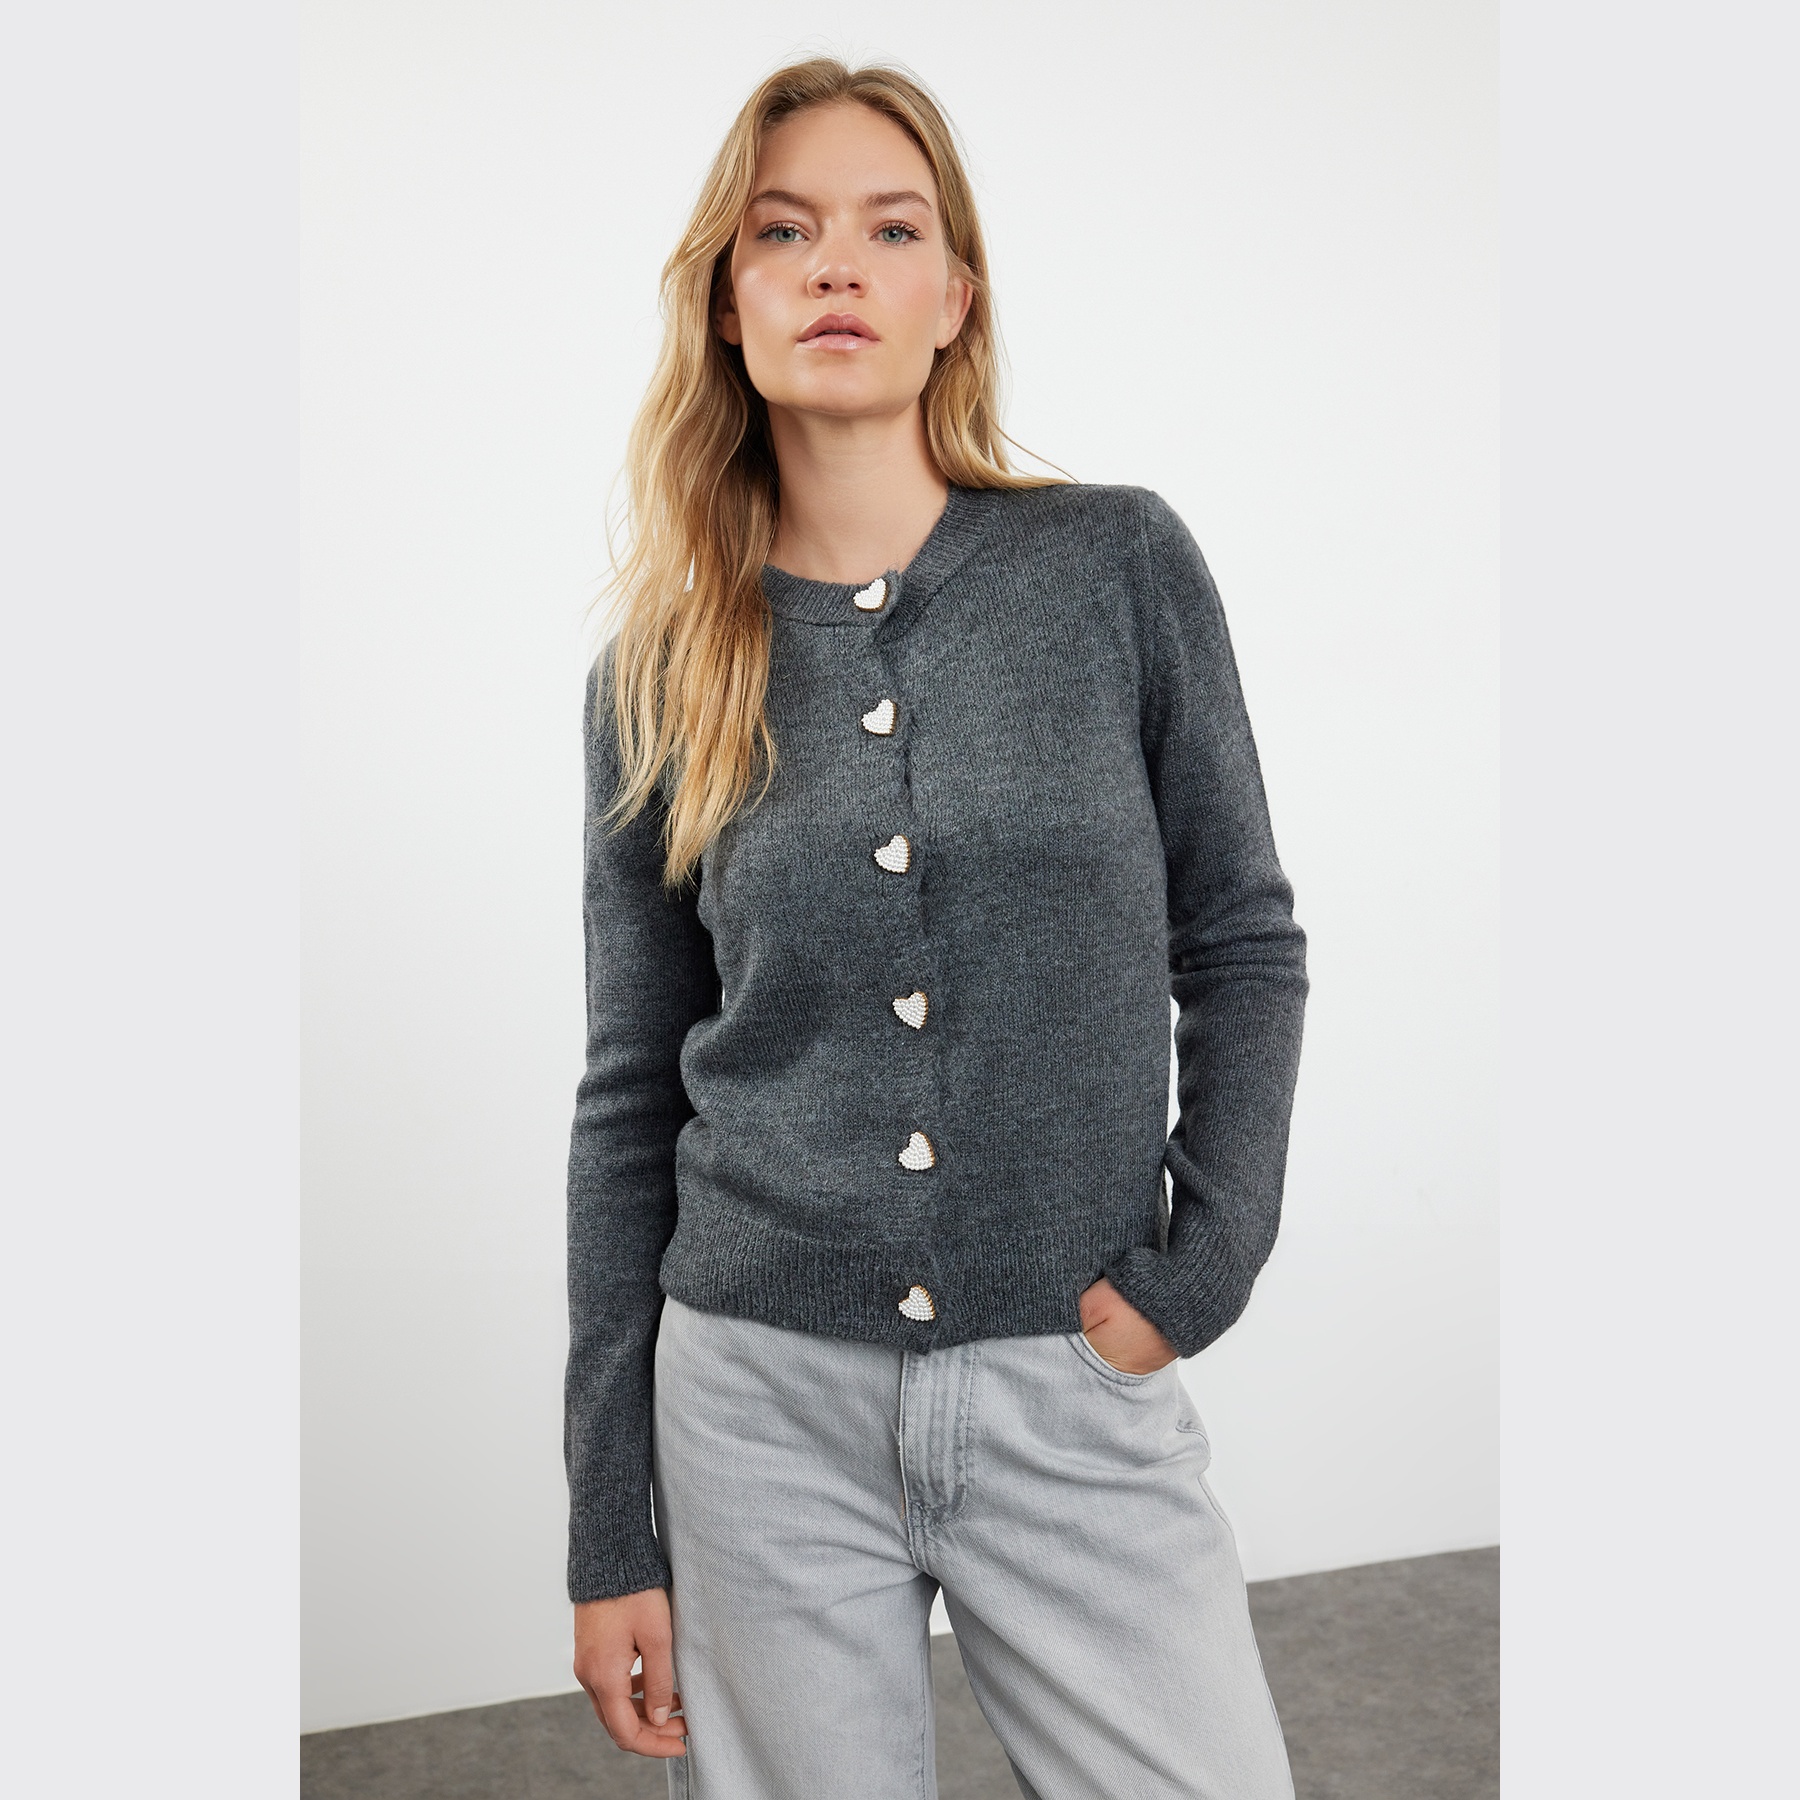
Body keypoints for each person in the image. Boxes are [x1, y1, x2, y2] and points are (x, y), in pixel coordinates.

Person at [565, 56, 1308, 1800]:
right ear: (727, 301)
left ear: (954, 298)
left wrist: (1198, 1269)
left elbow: (1242, 940)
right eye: (785, 232)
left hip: (1071, 1370)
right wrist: (610, 1526)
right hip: (756, 1408)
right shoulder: (658, 672)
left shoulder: (1114, 568)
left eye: (892, 230)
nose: (838, 264)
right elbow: (628, 1096)